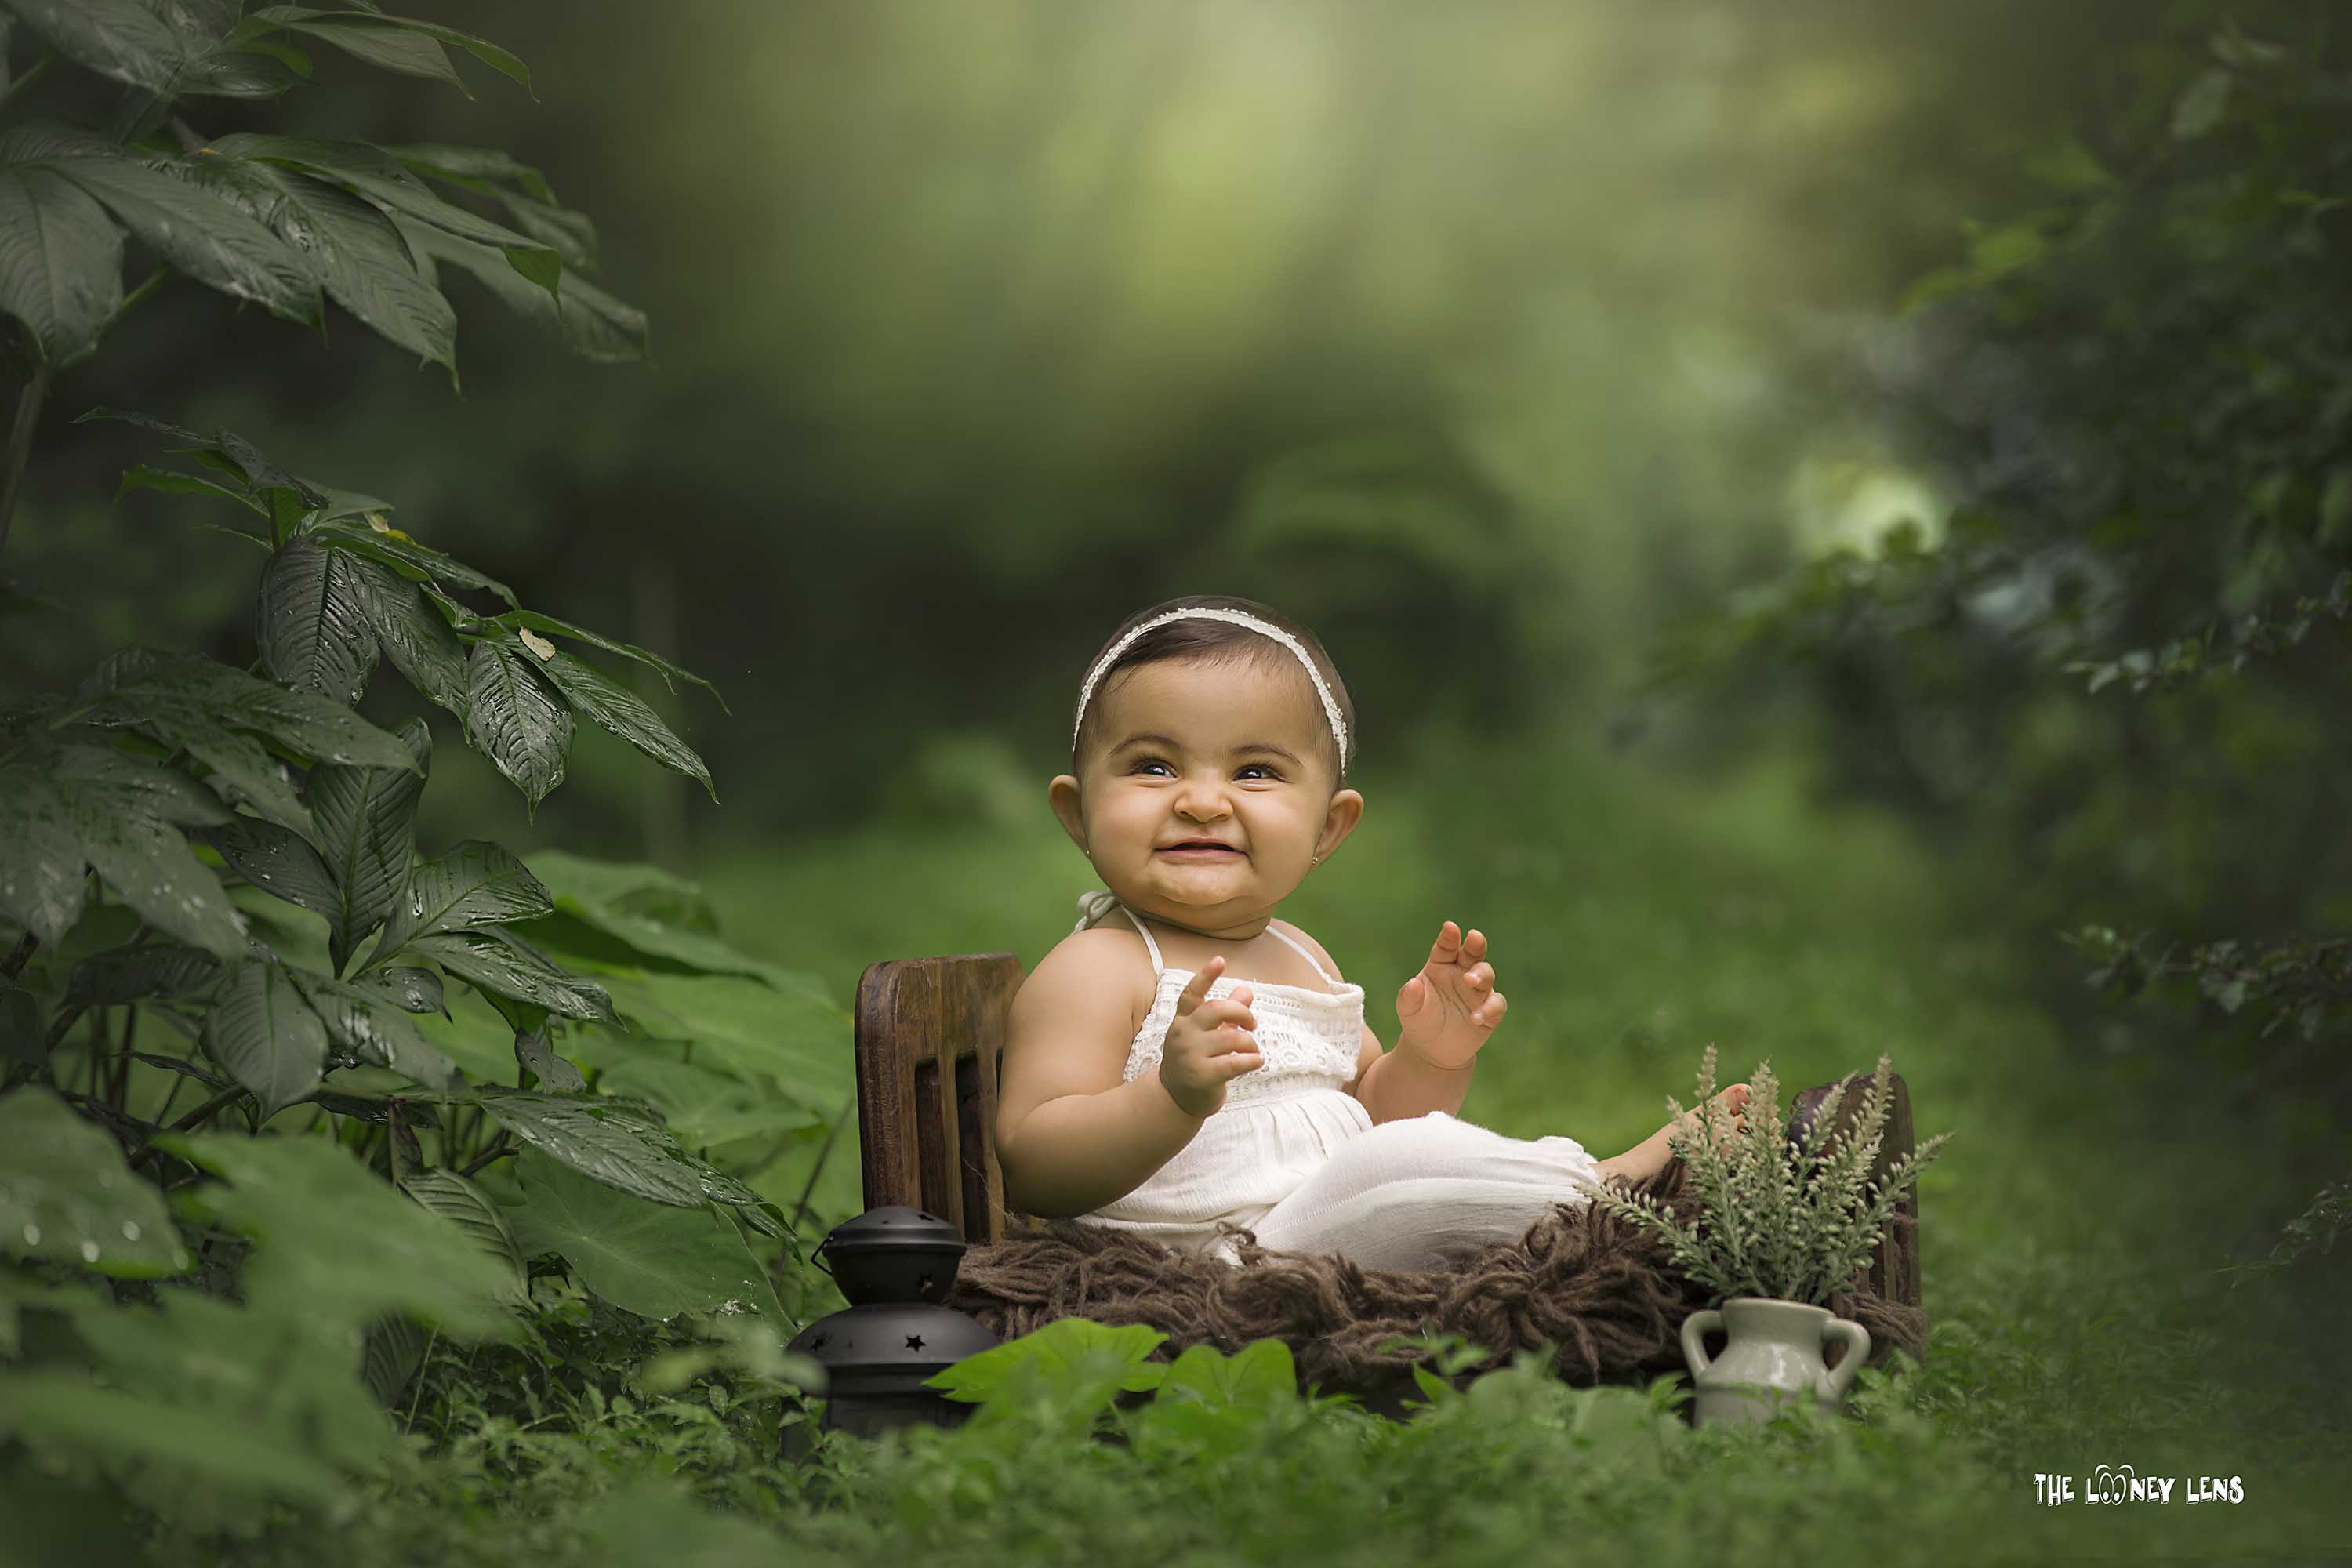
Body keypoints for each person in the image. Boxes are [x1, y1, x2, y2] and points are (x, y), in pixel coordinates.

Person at [993, 594, 1750, 1272]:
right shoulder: (1098, 967)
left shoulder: (1301, 957)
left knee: (1408, 1159)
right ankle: (1608, 1190)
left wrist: (1429, 1056)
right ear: (1077, 815)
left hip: (1332, 1235)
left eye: (1255, 772)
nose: (1202, 800)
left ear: (1328, 828)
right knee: (1405, 1174)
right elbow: (1036, 1165)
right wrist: (1171, 1096)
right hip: (1216, 1261)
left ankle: (1581, 1206)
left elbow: (1375, 1117)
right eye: (1153, 767)